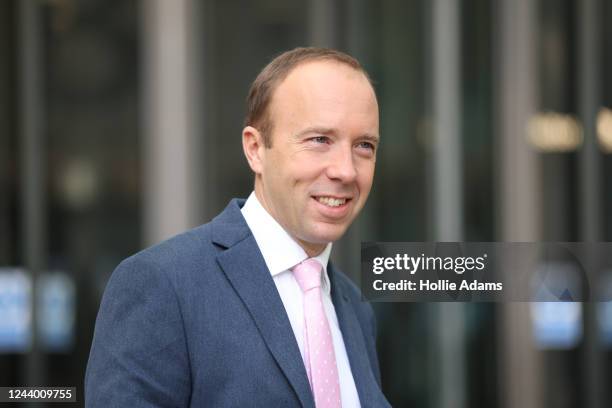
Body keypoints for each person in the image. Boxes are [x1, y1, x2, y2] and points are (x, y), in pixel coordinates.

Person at [85, 47, 390, 407]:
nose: (346, 170)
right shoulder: (162, 285)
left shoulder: (355, 307)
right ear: (255, 149)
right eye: (319, 140)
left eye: (364, 146)